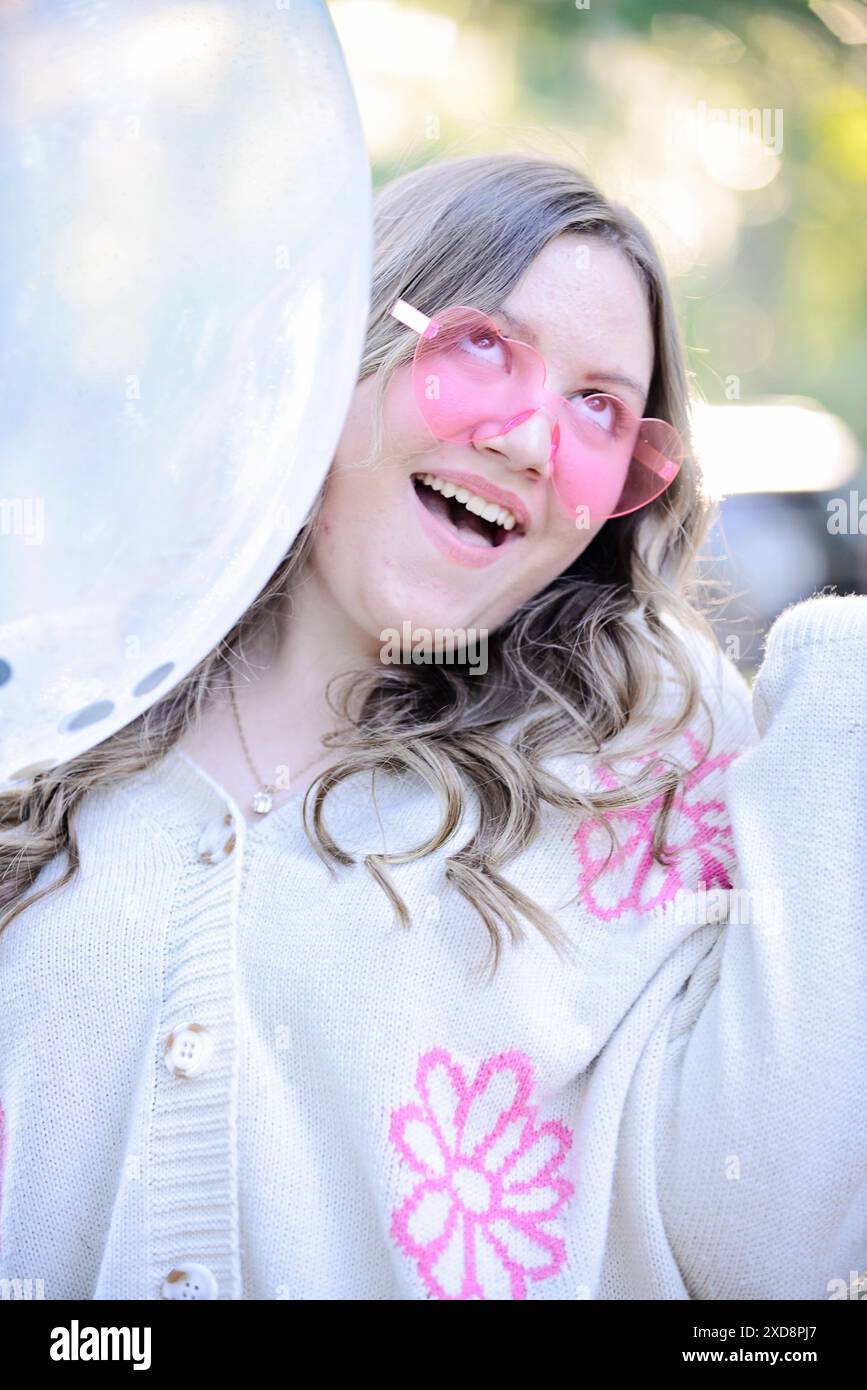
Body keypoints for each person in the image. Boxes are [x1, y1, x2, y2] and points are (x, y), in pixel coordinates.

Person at [0, 153, 864, 1302]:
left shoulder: (640, 743)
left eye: (600, 407)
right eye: (481, 347)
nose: (529, 439)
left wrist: (844, 695)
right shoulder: (65, 668)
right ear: (338, 344)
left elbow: (767, 1244)